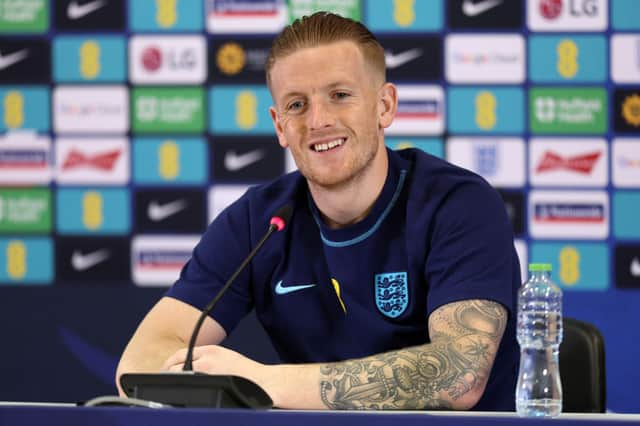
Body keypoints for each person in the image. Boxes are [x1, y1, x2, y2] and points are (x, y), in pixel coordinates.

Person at [116, 12, 521, 411]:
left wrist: (263, 383)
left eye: (340, 95)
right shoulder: (258, 221)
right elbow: (138, 365)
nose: (319, 120)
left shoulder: (458, 204)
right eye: (297, 104)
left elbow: (457, 375)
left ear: (385, 106)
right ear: (279, 126)